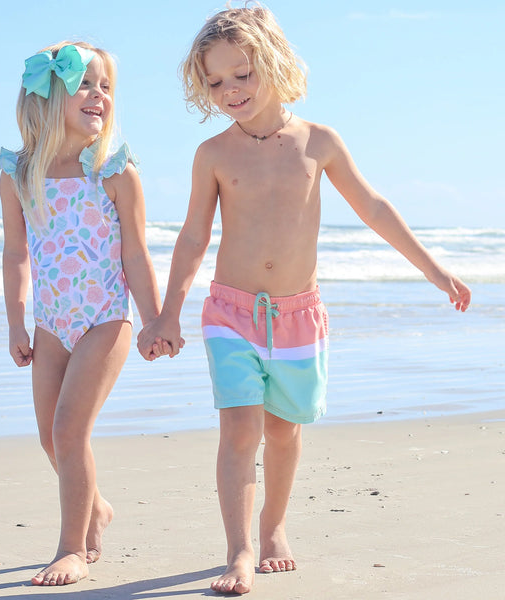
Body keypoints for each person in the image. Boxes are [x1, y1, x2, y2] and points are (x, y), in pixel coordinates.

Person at [137, 5, 471, 596]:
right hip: (232, 314)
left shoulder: (318, 142)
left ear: (273, 63)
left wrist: (435, 270)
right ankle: (239, 551)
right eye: (215, 82)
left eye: (242, 74)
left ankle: (274, 527)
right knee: (239, 430)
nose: (230, 90)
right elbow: (193, 237)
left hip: (297, 317)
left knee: (284, 433)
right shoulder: (213, 154)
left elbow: (374, 208)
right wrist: (168, 312)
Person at [0, 41, 166, 586]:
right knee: (51, 438)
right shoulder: (20, 172)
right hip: (51, 323)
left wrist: (156, 320)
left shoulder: (112, 171)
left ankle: (71, 548)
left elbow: (136, 254)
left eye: (106, 86)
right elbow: (17, 253)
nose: (99, 95)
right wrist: (15, 322)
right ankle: (95, 507)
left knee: (70, 431)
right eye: (86, 84)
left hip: (104, 318)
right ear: (48, 97)